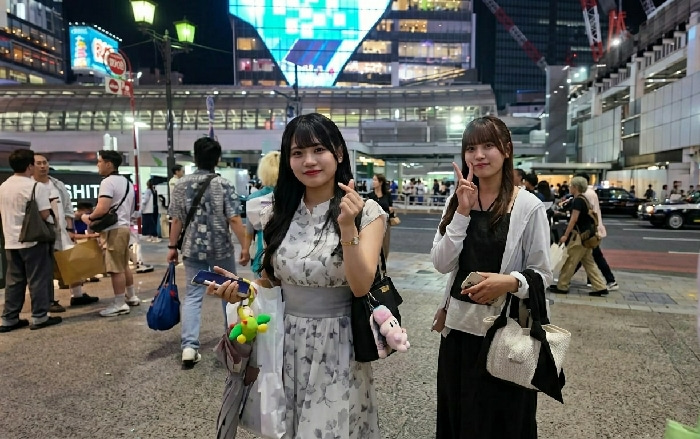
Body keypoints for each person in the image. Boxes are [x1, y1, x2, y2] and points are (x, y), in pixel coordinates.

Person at [209, 113, 386, 437]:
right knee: (288, 427)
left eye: (318, 150)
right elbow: (271, 280)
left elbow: (361, 286)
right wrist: (243, 289)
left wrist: (347, 226)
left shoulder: (367, 212)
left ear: (339, 153)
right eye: (298, 153)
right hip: (284, 341)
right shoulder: (277, 212)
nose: (309, 161)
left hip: (340, 342)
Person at [430, 116, 551, 438]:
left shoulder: (528, 206)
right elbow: (441, 263)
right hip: (459, 330)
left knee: (501, 421)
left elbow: (543, 273)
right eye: (471, 148)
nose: (479, 155)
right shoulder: (458, 200)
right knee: (459, 415)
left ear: (507, 150)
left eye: (488, 146)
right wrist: (462, 212)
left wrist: (509, 281)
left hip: (505, 334)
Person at [167, 137, 249, 368]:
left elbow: (176, 220)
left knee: (193, 295)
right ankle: (231, 340)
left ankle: (189, 347)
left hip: (192, 249)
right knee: (229, 293)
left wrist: (172, 247)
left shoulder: (181, 184)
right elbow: (234, 218)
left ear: (195, 157)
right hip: (220, 248)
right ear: (218, 159)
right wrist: (244, 246)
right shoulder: (223, 184)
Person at [0, 149, 62, 331]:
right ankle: (39, 317)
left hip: (11, 240)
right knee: (38, 279)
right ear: (29, 166)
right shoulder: (35, 187)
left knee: (14, 281)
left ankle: (9, 319)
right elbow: (44, 214)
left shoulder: (3, 186)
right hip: (33, 240)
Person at [33, 154, 100, 308]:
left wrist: (70, 228)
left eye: (45, 163)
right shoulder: (30, 185)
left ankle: (77, 295)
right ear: (31, 166)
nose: (43, 166)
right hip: (40, 232)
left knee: (71, 261)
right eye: (38, 163)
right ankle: (47, 301)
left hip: (61, 230)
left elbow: (68, 208)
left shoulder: (57, 184)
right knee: (45, 267)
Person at [81, 150, 141, 317]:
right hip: (124, 227)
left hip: (113, 230)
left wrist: (88, 218)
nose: (98, 165)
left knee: (115, 268)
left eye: (100, 161)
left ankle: (119, 303)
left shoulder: (107, 182)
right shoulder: (127, 182)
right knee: (123, 265)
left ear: (108, 164)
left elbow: (102, 208)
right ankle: (131, 296)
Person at [548, 176, 609, 296]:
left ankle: (562, 285)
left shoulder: (578, 201)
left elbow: (573, 219)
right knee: (589, 263)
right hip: (587, 236)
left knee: (570, 261)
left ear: (575, 187)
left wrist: (565, 235)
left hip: (579, 237)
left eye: (571, 186)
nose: (569, 188)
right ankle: (600, 287)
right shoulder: (584, 199)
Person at [243, 151, 280, 277]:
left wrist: (245, 250)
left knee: (262, 286)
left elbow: (249, 231)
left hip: (262, 251)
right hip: (291, 253)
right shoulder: (296, 196)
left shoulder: (253, 198)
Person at [367, 173, 394, 259]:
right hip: (372, 223)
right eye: (373, 180)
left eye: (375, 180)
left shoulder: (387, 195)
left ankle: (383, 263)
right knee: (373, 245)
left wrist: (391, 210)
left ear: (381, 182)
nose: (373, 182)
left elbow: (390, 208)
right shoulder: (370, 195)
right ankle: (373, 263)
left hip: (385, 223)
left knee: (385, 245)